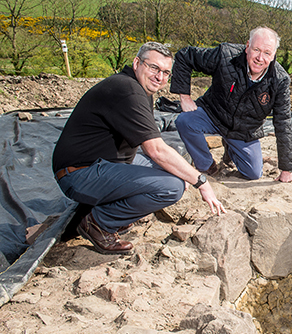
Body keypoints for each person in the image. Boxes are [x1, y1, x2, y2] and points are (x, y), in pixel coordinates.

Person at [52, 42, 225, 255]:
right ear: (137, 63)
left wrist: (185, 173)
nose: (159, 77)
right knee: (171, 186)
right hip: (80, 173)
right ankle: (99, 223)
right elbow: (155, 150)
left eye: (165, 72)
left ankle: (117, 214)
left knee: (172, 170)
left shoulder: (138, 89)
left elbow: (155, 147)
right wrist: (201, 182)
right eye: (153, 68)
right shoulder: (128, 90)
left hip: (106, 162)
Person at [170, 26, 292, 183]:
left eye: (267, 53)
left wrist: (287, 168)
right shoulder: (225, 55)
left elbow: (283, 122)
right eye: (256, 49)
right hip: (214, 114)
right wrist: (185, 97)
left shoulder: (280, 80)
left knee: (253, 173)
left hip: (244, 130)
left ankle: (230, 149)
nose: (260, 58)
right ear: (247, 46)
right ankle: (207, 165)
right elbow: (185, 56)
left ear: (274, 54)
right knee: (184, 121)